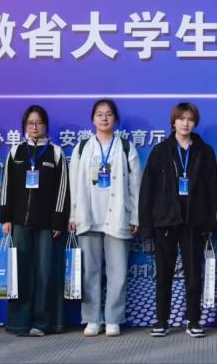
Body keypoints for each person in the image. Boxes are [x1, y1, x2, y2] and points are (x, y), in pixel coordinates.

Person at [139, 102, 217, 338]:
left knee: (193, 275)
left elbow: (212, 189)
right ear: (173, 122)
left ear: (195, 123)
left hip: (194, 223)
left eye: (190, 119)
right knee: (164, 274)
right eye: (181, 118)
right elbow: (147, 191)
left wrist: (209, 224)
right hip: (165, 221)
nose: (185, 123)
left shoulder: (204, 152)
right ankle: (162, 320)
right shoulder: (160, 151)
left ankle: (193, 321)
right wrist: (147, 229)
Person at [69, 99, 141, 337]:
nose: (104, 118)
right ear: (92, 119)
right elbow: (72, 184)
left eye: (109, 114)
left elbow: (135, 186)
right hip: (88, 216)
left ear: (115, 119)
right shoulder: (82, 148)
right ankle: (92, 319)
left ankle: (113, 319)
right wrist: (72, 215)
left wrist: (135, 216)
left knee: (117, 272)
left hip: (118, 216)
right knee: (90, 271)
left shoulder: (126, 148)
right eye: (99, 114)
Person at [0, 105, 70, 336]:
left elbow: (62, 190)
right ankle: (19, 323)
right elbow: (6, 187)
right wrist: (5, 218)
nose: (35, 127)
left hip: (47, 225)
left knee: (44, 273)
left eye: (39, 122)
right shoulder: (16, 152)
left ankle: (42, 322)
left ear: (46, 125)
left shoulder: (56, 153)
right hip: (19, 222)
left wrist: (58, 221)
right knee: (21, 272)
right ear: (24, 126)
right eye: (30, 123)